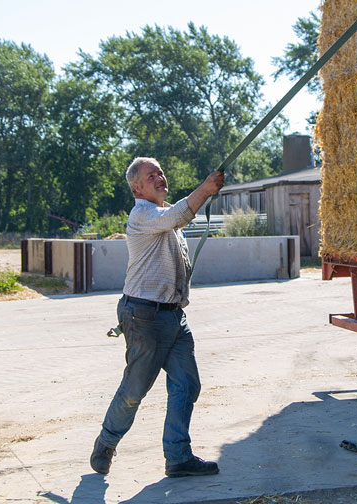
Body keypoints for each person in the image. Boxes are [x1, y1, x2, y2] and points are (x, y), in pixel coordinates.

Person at [91, 157, 225, 478]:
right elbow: (179, 214)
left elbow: (176, 216)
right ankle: (106, 442)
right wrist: (206, 189)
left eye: (161, 173)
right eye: (151, 176)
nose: (160, 178)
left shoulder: (165, 217)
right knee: (135, 390)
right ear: (137, 189)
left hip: (173, 316)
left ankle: (178, 457)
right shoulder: (142, 215)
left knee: (186, 385)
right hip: (143, 316)